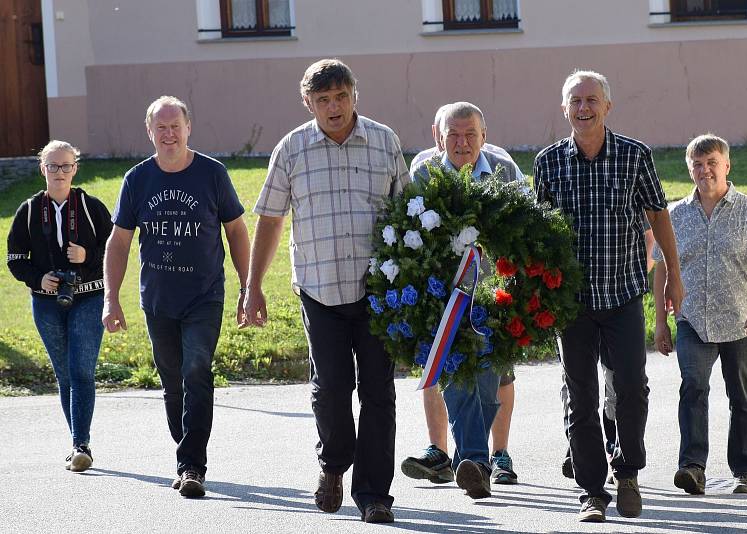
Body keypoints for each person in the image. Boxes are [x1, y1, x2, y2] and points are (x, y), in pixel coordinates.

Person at [242, 59, 408, 524]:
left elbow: (406, 214)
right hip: (319, 289)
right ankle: (334, 465)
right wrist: (253, 286)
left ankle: (374, 494)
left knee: (378, 392)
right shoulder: (292, 148)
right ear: (308, 102)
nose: (333, 107)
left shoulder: (384, 142)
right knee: (331, 389)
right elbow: (271, 219)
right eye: (322, 100)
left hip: (378, 291)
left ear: (355, 94)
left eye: (340, 97)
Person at [534, 70, 684, 522]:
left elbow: (658, 216)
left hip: (621, 295)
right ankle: (592, 491)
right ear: (564, 109)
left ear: (607, 106)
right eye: (575, 100)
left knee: (631, 389)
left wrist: (673, 274)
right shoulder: (548, 162)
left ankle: (629, 472)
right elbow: (536, 233)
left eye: (592, 100)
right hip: (571, 302)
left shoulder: (635, 156)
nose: (584, 107)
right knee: (579, 394)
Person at [102, 96, 250, 498]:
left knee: (196, 370)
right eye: (161, 128)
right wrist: (110, 298)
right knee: (172, 380)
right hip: (158, 300)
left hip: (204, 296)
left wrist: (247, 286)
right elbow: (118, 243)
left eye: (175, 126)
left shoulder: (212, 174)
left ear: (188, 128)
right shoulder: (137, 180)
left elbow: (237, 231)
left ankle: (192, 466)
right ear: (150, 132)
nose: (169, 134)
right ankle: (186, 448)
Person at [653, 134, 747, 496]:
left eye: (712, 162)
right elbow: (661, 268)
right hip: (692, 320)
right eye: (697, 164)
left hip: (742, 321)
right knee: (692, 389)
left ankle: (744, 472)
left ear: (726, 166)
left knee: (741, 396)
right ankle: (692, 468)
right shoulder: (675, 215)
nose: (705, 170)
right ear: (689, 169)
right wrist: (661, 322)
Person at [403, 104, 521, 488]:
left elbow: (529, 226)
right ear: (438, 137)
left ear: (484, 136)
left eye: (470, 134)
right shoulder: (424, 172)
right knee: (444, 370)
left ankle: (496, 454)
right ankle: (464, 457)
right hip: (444, 297)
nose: (462, 142)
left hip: (493, 294)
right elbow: (405, 230)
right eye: (452, 134)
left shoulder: (504, 171)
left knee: (496, 376)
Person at [7, 140, 112, 472]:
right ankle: (76, 442)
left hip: (89, 297)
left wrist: (87, 257)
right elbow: (14, 259)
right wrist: (39, 279)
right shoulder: (28, 210)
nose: (60, 172)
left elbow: (116, 249)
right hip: (46, 304)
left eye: (66, 166)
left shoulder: (92, 207)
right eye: (53, 166)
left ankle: (81, 444)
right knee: (64, 374)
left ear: (75, 168)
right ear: (42, 168)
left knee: (81, 371)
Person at [561, 222, 655, 480]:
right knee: (575, 389)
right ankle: (577, 451)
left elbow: (650, 237)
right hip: (574, 304)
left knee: (620, 385)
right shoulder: (557, 179)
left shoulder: (626, 181)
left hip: (619, 301)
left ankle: (617, 448)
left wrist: (635, 276)